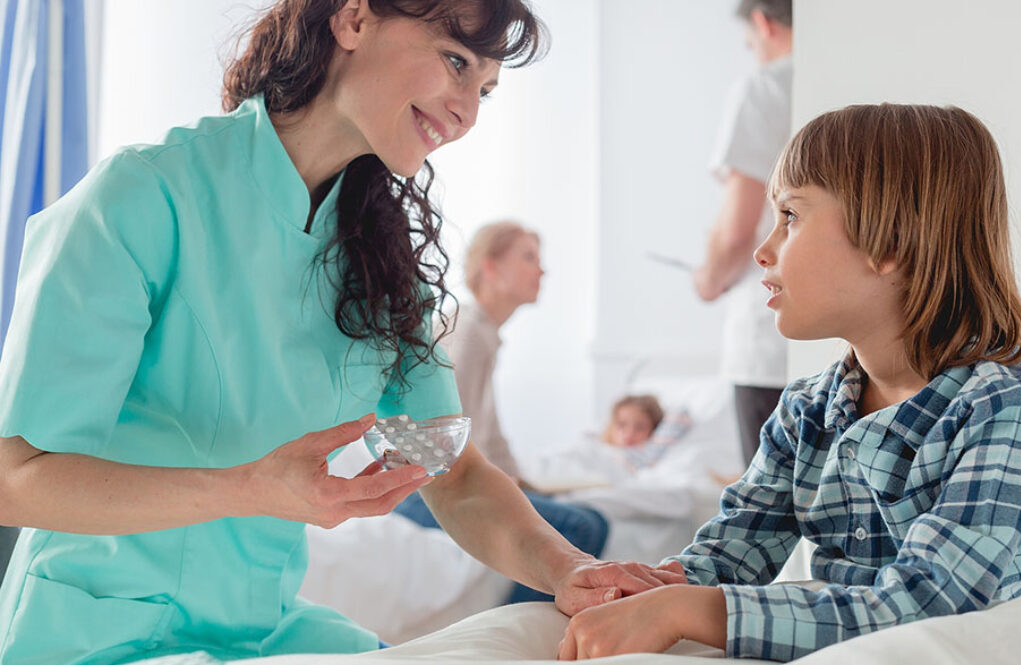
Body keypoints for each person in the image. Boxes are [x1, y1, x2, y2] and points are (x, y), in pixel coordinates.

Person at [0, 2, 682, 662]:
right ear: (354, 18)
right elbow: (17, 477)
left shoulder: (380, 268)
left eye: (486, 90)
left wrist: (567, 566)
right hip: (98, 631)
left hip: (263, 629)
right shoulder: (141, 198)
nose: (467, 111)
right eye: (454, 62)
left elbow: (452, 473)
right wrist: (251, 487)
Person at [556, 104, 1021, 661]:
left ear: (890, 240)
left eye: (791, 217)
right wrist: (642, 586)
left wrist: (684, 610)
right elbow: (727, 556)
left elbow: (932, 608)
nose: (763, 251)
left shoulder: (1011, 407)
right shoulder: (806, 412)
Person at [395, 220, 610, 604]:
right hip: (426, 492)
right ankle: (516, 636)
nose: (542, 270)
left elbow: (488, 436)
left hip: (445, 481)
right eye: (529, 257)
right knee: (581, 525)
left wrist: (519, 484)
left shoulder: (482, 333)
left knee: (586, 519)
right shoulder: (468, 333)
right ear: (491, 267)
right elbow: (443, 440)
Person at [692, 0, 794, 469]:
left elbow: (737, 231)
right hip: (845, 339)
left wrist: (708, 279)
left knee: (772, 514)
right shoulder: (852, 82)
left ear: (762, 22)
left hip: (769, 341)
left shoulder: (766, 86)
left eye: (750, 44)